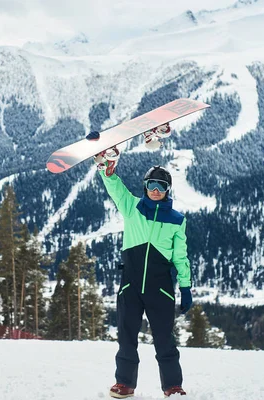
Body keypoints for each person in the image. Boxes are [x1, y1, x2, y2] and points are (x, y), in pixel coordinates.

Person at [95, 154, 193, 398]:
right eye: (151, 185)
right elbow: (115, 188)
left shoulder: (177, 221)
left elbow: (180, 258)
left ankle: (172, 386)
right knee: (127, 335)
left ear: (168, 189)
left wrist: (186, 287)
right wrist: (106, 170)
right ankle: (125, 384)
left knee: (164, 339)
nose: (156, 190)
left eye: (161, 186)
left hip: (160, 288)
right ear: (145, 187)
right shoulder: (132, 207)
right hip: (130, 283)